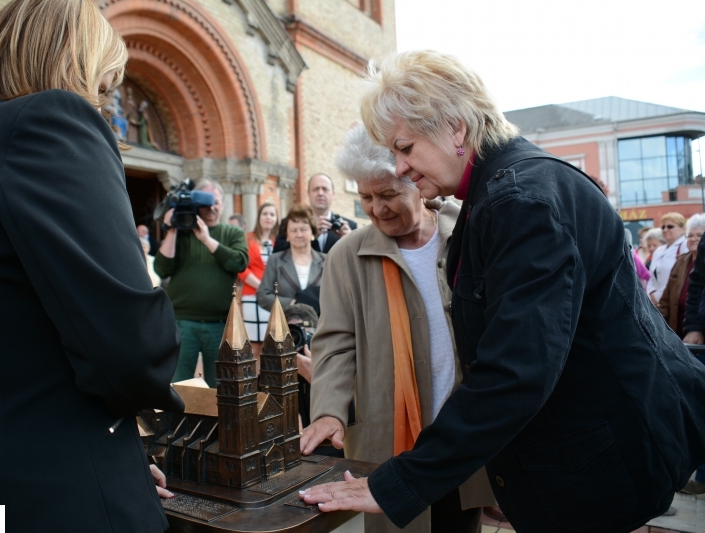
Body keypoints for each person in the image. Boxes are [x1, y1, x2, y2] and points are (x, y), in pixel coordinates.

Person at [299, 50, 705, 533]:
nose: (401, 167)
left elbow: (516, 368)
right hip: (585, 456)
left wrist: (399, 482)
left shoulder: (519, 201)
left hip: (595, 465)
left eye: (405, 147)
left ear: (456, 128)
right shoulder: (498, 194)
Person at [0, 1, 184, 531]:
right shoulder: (49, 118)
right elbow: (133, 348)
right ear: (80, 71)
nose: (105, 107)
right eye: (104, 89)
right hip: (37, 500)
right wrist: (94, 459)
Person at [301, 124, 494, 533]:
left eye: (389, 195)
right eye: (366, 197)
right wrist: (329, 410)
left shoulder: (470, 228)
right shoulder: (346, 256)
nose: (377, 208)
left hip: (462, 432)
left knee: (460, 522)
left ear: (419, 184)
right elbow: (335, 343)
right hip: (390, 437)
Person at [154, 179, 249, 388]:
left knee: (221, 386)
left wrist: (206, 239)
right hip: (182, 323)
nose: (212, 207)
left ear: (223, 204)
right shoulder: (181, 234)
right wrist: (172, 229)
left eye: (216, 202)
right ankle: (179, 422)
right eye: (206, 203)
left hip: (219, 324)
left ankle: (217, 423)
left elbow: (240, 262)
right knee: (179, 385)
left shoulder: (232, 233)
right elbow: (161, 269)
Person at [257, 204, 326, 312]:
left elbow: (336, 295)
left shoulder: (326, 261)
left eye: (303, 229)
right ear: (287, 235)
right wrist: (293, 304)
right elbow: (263, 296)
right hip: (287, 325)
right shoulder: (275, 260)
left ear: (312, 232)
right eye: (293, 230)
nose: (299, 234)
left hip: (321, 325)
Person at [273, 174, 357, 253]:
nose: (320, 193)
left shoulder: (351, 226)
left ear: (333, 194)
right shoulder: (289, 223)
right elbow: (278, 254)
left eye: (325, 189)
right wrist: (310, 236)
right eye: (316, 189)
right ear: (308, 194)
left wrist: (351, 242)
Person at [238, 202, 279, 348]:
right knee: (254, 345)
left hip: (274, 297)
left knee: (272, 345)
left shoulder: (279, 242)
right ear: (259, 217)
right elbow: (241, 267)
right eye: (265, 214)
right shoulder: (247, 239)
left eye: (272, 214)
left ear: (276, 219)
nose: (268, 217)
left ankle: (268, 372)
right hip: (252, 296)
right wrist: (262, 287)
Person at [658, 215, 705, 337]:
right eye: (690, 235)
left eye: (699, 235)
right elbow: (665, 299)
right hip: (678, 331)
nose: (694, 239)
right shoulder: (681, 261)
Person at [647, 212, 688, 306]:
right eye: (663, 227)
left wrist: (660, 295)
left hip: (675, 301)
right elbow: (652, 277)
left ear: (683, 229)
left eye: (670, 226)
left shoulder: (686, 246)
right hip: (657, 302)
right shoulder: (659, 250)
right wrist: (652, 292)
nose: (665, 230)